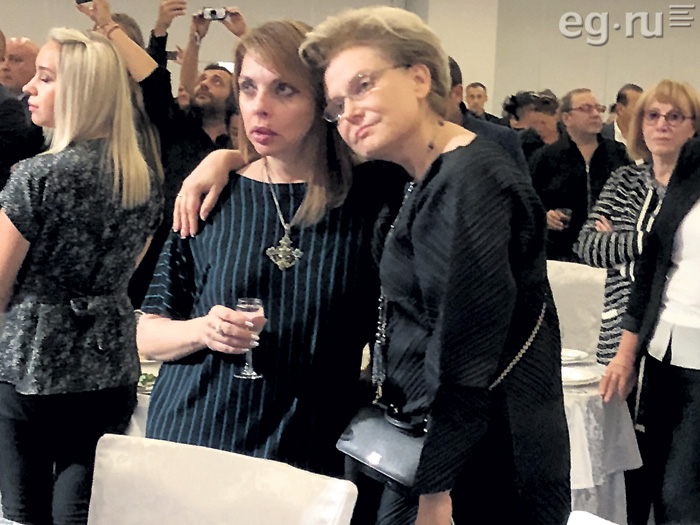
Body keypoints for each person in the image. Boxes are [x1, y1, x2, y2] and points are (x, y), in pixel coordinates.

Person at [301, 6, 570, 525]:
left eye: (363, 85)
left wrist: (435, 490)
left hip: (479, 462)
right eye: (337, 104)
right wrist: (226, 159)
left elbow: (464, 350)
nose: (348, 112)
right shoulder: (416, 174)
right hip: (440, 446)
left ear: (420, 78)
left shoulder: (470, 180)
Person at [136, 18, 406, 481]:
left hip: (310, 450)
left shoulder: (372, 198)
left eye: (284, 90)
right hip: (196, 439)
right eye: (248, 87)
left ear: (323, 100)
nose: (259, 107)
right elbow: (147, 332)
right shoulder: (212, 197)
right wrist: (203, 331)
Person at [0, 27, 162, 524]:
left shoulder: (38, 175)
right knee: (81, 506)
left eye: (45, 78)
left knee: (24, 510)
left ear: (81, 92)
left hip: (29, 360)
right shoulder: (143, 178)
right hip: (108, 359)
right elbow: (128, 269)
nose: (29, 87)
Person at [575, 79, 700, 525]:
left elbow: (658, 257)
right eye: (653, 115)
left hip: (674, 332)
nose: (662, 124)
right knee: (630, 464)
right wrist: (653, 242)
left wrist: (637, 241)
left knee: (678, 482)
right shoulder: (627, 179)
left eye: (674, 116)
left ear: (694, 126)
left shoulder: (689, 185)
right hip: (626, 328)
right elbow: (588, 246)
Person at [600, 136, 700, 524]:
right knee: (651, 481)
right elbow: (653, 264)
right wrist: (625, 356)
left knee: (680, 494)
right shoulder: (693, 158)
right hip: (664, 350)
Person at [530, 88, 630, 261]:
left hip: (608, 252)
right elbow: (527, 203)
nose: (595, 114)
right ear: (566, 118)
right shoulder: (546, 157)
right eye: (586, 109)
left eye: (598, 108)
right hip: (559, 254)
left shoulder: (618, 154)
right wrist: (544, 216)